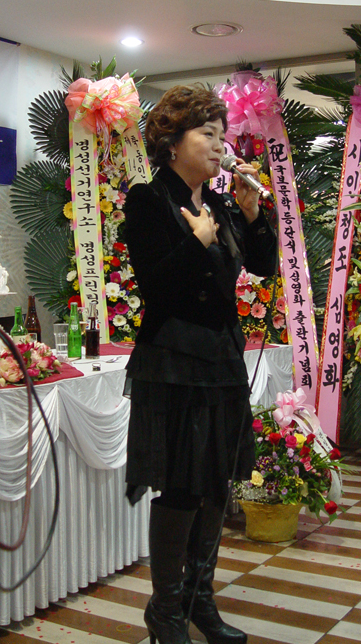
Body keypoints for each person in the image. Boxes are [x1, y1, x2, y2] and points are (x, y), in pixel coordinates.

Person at [123, 84, 277, 644]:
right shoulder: (148, 200)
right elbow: (156, 288)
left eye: (221, 135)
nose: (218, 146)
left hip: (221, 360)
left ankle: (199, 601)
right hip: (174, 362)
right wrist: (196, 242)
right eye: (207, 134)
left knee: (215, 486)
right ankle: (165, 611)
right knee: (183, 487)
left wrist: (252, 213)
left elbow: (262, 266)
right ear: (172, 142)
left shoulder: (218, 203)